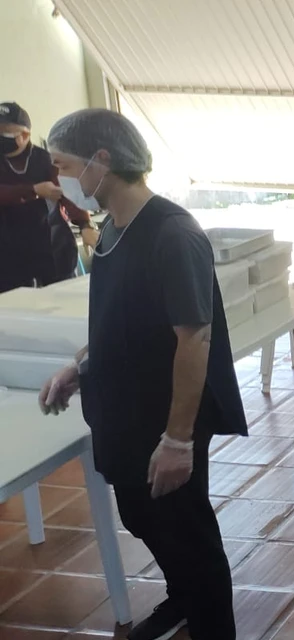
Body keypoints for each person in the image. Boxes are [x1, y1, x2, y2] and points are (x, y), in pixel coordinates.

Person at [36, 109, 247, 640]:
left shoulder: (172, 234)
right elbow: (121, 318)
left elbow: (193, 337)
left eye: (63, 166)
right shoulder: (113, 229)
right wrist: (80, 366)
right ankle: (183, 599)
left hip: (162, 419)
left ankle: (212, 627)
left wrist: (177, 440)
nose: (60, 181)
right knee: (141, 515)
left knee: (186, 534)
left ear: (101, 161)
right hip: (126, 415)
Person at [0, 102, 96, 293]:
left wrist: (85, 225)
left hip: (52, 250)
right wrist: (33, 190)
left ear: (25, 135)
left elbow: (68, 193)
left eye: (5, 132)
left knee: (62, 304)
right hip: (8, 256)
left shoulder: (46, 160)